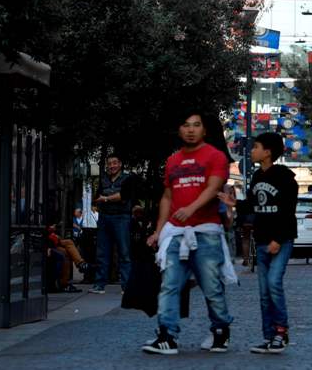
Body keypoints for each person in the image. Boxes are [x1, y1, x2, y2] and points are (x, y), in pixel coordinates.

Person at [142, 111, 235, 355]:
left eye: (196, 125)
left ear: (204, 130)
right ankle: (166, 336)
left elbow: (214, 187)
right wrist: (158, 231)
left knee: (212, 287)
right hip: (176, 232)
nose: (191, 130)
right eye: (185, 125)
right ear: (179, 130)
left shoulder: (215, 157)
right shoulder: (172, 161)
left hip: (206, 232)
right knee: (170, 284)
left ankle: (220, 331)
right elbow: (167, 196)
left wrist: (191, 208)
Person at [246, 132, 298, 354]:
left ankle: (281, 332)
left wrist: (278, 238)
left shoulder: (285, 177)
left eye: (256, 147)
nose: (252, 151)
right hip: (262, 240)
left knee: (274, 283)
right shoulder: (257, 176)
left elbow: (288, 211)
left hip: (281, 240)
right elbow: (251, 204)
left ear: (267, 152)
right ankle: (269, 337)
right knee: (264, 291)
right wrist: (234, 204)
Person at [90, 153, 132, 294]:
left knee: (124, 253)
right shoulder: (103, 180)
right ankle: (99, 285)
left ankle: (126, 286)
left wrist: (106, 198)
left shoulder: (127, 179)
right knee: (102, 252)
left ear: (120, 164)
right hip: (104, 217)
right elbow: (97, 198)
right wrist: (97, 202)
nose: (112, 166)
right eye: (110, 163)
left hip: (121, 218)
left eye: (115, 163)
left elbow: (124, 196)